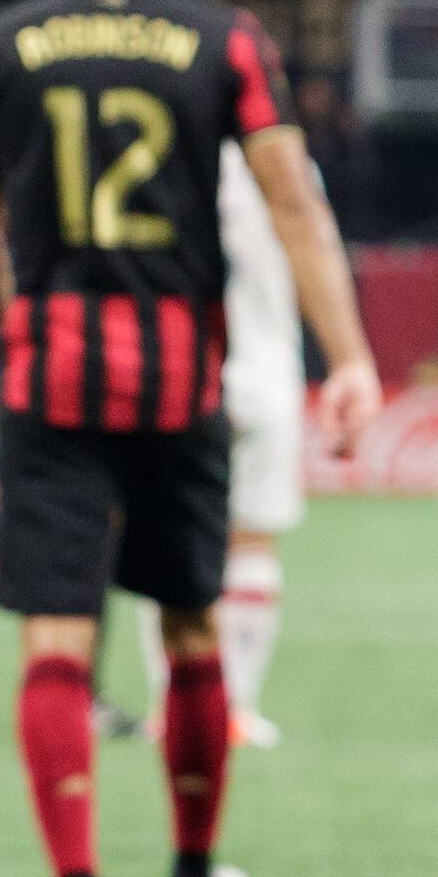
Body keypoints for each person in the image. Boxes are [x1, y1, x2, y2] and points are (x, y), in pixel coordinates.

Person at [0, 0, 382, 877]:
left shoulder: (1, 50)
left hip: (53, 377)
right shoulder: (222, 42)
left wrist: (14, 313)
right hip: (183, 378)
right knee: (190, 629)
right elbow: (295, 208)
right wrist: (348, 355)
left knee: (56, 637)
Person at [136, 141, 309, 749]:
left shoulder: (163, 154)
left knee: (167, 543)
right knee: (254, 541)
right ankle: (239, 705)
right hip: (264, 371)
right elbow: (312, 250)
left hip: (178, 365)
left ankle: (169, 705)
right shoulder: (284, 162)